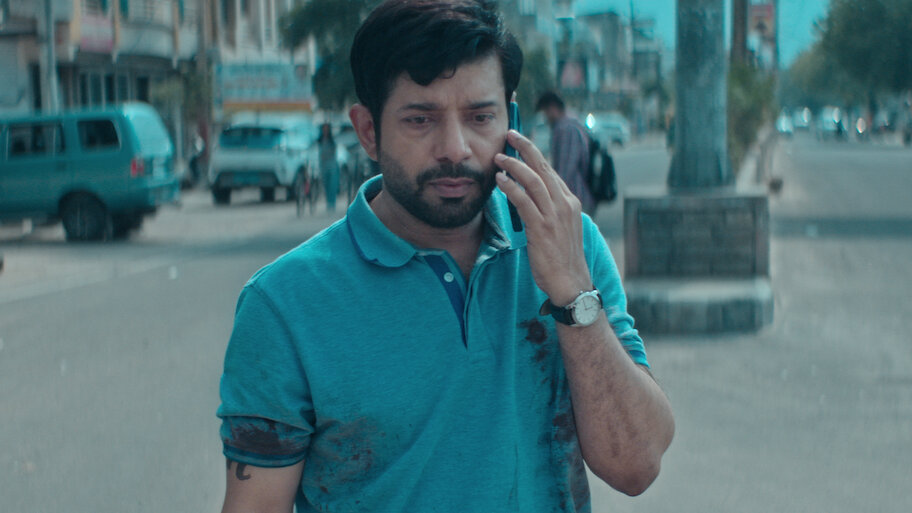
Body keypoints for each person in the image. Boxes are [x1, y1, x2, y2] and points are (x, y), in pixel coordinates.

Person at [217, 2, 674, 512]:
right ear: (368, 131)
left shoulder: (571, 243)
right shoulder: (284, 304)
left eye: (480, 117)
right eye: (420, 119)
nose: (455, 148)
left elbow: (636, 464)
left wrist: (573, 295)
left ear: (511, 120)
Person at [536, 91, 596, 215]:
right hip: (578, 198)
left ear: (552, 108)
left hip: (574, 199)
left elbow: (566, 170)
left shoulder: (565, 129)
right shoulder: (573, 123)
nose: (545, 118)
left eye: (545, 112)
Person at [317, 122, 340, 212]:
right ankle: (328, 201)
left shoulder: (332, 140)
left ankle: (332, 202)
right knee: (326, 183)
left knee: (332, 184)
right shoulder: (320, 140)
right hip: (323, 165)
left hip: (332, 165)